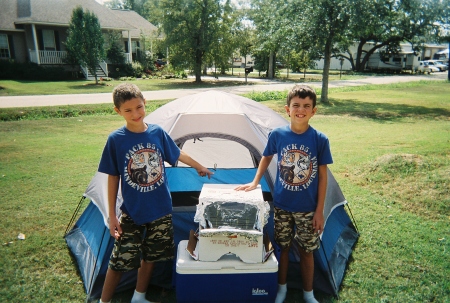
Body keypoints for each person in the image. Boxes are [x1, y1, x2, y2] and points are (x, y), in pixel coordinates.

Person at [98, 83, 213, 303]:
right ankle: (104, 301)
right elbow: (113, 177)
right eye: (128, 110)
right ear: (117, 111)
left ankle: (139, 296)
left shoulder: (157, 133)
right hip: (132, 212)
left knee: (151, 256)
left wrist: (199, 165)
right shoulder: (116, 139)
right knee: (119, 259)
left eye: (139, 107)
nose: (136, 114)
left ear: (145, 104)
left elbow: (177, 154)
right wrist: (112, 215)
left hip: (160, 209)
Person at [235, 85, 332, 303]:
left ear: (314, 111)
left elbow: (323, 177)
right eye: (296, 105)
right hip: (282, 206)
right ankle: (282, 289)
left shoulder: (320, 139)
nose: (301, 110)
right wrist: (255, 181)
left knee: (307, 251)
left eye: (307, 106)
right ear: (287, 109)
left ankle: (308, 293)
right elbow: (266, 157)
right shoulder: (277, 135)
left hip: (309, 208)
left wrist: (320, 211)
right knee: (283, 248)